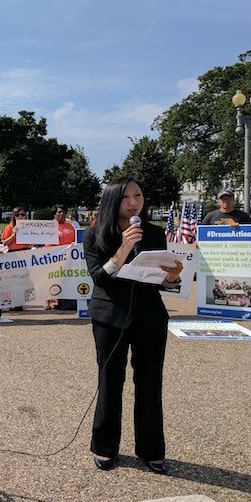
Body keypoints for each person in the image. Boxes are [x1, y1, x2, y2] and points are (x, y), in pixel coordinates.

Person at [83, 177, 183, 475]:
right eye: (126, 197)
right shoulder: (94, 234)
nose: (134, 202)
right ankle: (104, 446)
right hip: (110, 317)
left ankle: (151, 449)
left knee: (150, 383)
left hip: (149, 316)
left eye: (138, 195)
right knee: (111, 382)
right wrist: (124, 247)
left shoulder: (153, 233)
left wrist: (173, 277)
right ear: (113, 200)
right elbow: (99, 277)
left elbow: (161, 280)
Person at [45, 204, 77, 310]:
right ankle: (48, 301)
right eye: (59, 212)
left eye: (63, 212)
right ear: (54, 214)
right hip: (53, 257)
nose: (62, 214)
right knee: (51, 280)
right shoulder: (49, 227)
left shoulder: (70, 226)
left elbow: (74, 241)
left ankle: (61, 301)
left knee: (64, 280)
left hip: (67, 258)